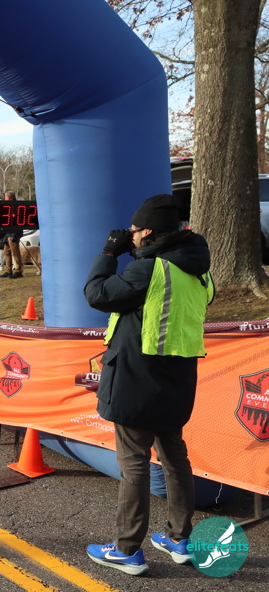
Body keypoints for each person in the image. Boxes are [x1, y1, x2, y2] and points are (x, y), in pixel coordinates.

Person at [83, 194, 214, 577]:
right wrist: (140, 253)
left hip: (137, 379)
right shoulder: (199, 270)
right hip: (177, 378)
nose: (131, 234)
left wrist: (109, 254)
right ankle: (179, 539)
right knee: (175, 458)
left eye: (135, 229)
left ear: (150, 232)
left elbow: (97, 294)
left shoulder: (150, 270)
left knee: (134, 464)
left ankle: (127, 550)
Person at [0, 190, 23, 279]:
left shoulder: (16, 207)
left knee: (15, 252)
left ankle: (18, 271)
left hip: (14, 233)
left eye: (5, 197)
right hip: (6, 233)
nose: (4, 199)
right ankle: (8, 270)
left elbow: (17, 221)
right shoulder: (6, 207)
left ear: (9, 198)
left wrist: (15, 234)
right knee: (7, 252)